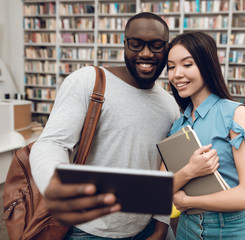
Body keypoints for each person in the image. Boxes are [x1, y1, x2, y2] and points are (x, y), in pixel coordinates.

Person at [29, 12, 180, 239]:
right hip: (87, 230)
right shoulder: (87, 80)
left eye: (156, 46)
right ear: (124, 44)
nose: (146, 53)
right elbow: (52, 142)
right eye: (136, 44)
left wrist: (160, 226)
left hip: (145, 230)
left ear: (167, 49)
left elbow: (168, 170)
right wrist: (52, 181)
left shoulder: (170, 104)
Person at [165, 31, 245, 239]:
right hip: (186, 228)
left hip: (228, 229)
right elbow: (161, 188)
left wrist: (189, 202)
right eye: (171, 67)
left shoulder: (235, 113)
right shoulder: (177, 125)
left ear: (207, 64)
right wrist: (190, 171)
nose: (176, 74)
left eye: (187, 64)